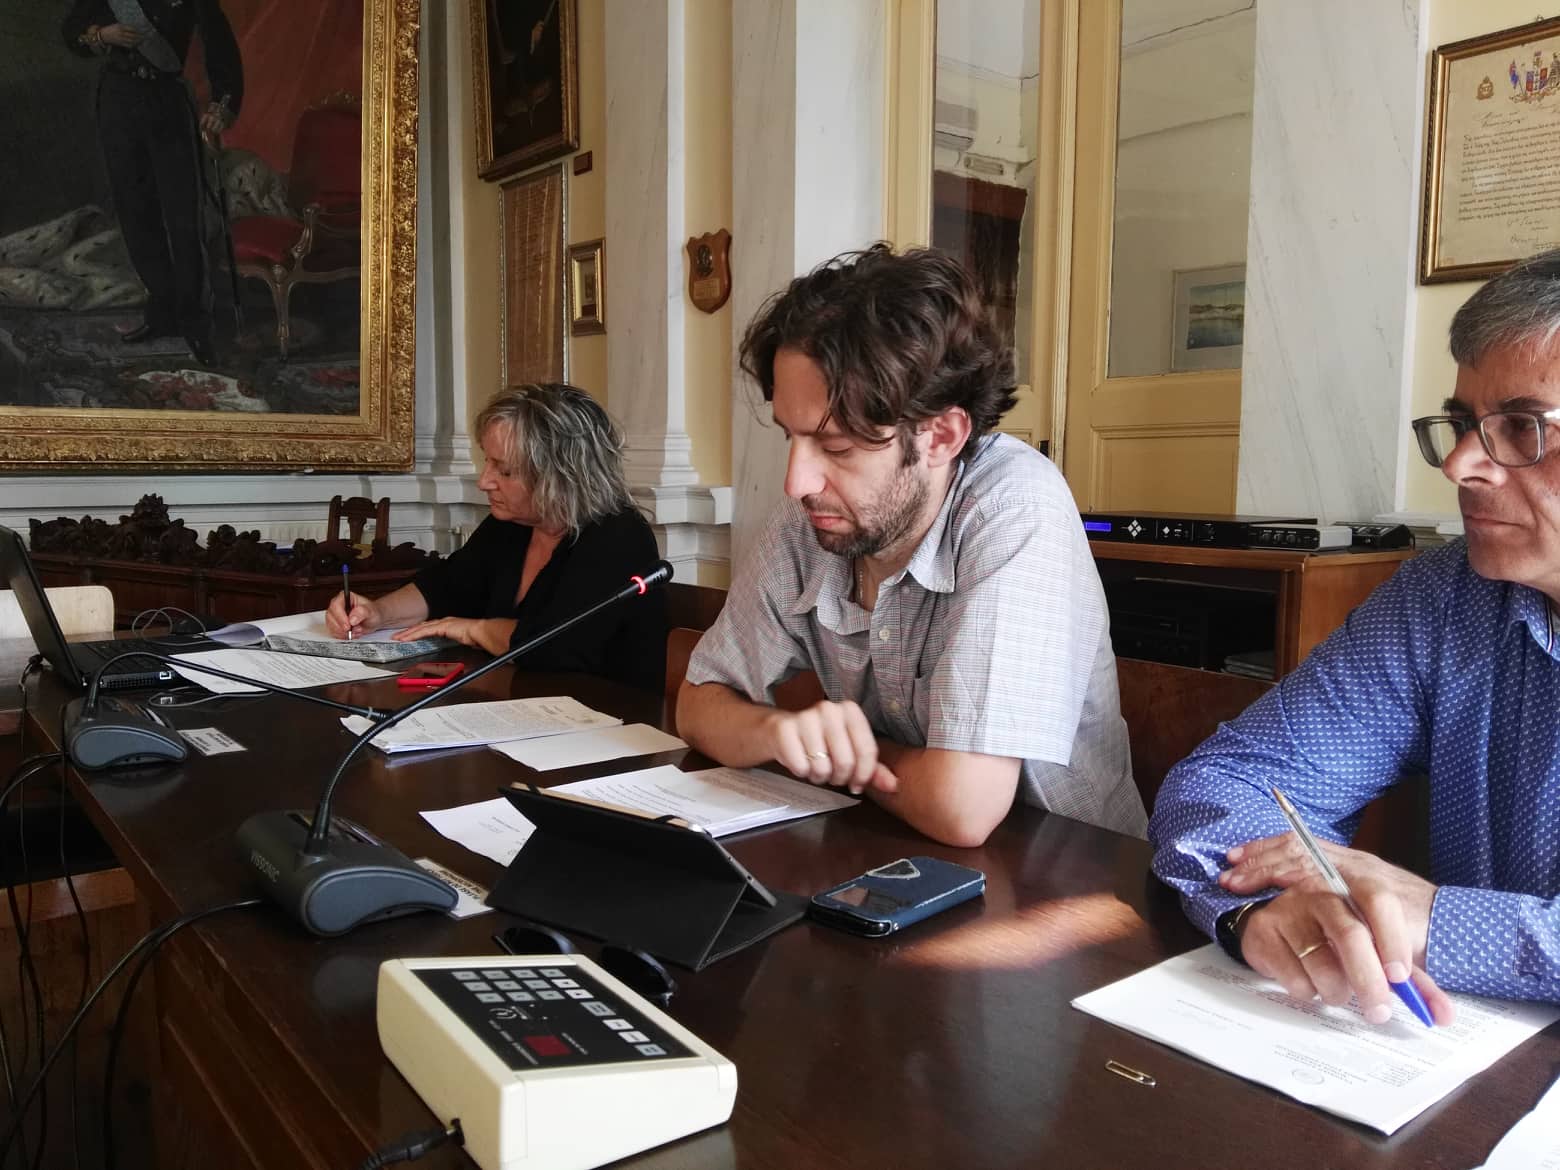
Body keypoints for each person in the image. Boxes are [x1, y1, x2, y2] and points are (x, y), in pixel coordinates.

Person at [1150, 248, 1560, 1023]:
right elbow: (1229, 781)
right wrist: (1269, 906)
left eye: (1521, 427)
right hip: (1450, 1053)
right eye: (1463, 424)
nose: (1460, 465)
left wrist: (1438, 920)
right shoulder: (1445, 599)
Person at [676, 245, 1145, 848]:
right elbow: (697, 703)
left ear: (941, 436)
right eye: (791, 438)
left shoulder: (1015, 509)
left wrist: (843, 755)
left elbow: (961, 808)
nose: (796, 481)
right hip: (896, 850)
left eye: (837, 446)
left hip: (1072, 877)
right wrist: (775, 732)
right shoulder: (819, 515)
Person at [326, 384, 667, 691]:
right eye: (487, 462)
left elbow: (555, 647)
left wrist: (473, 629)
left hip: (604, 715)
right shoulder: (511, 524)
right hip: (516, 699)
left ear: (560, 476)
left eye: (504, 470)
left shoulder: (618, 537)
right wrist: (377, 612)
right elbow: (446, 586)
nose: (484, 482)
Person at [63, 0, 242, 365]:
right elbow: (71, 31)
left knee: (183, 219)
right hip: (118, 103)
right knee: (135, 213)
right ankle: (163, 311)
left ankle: (195, 323)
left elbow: (220, 45)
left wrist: (222, 104)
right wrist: (102, 35)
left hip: (167, 102)